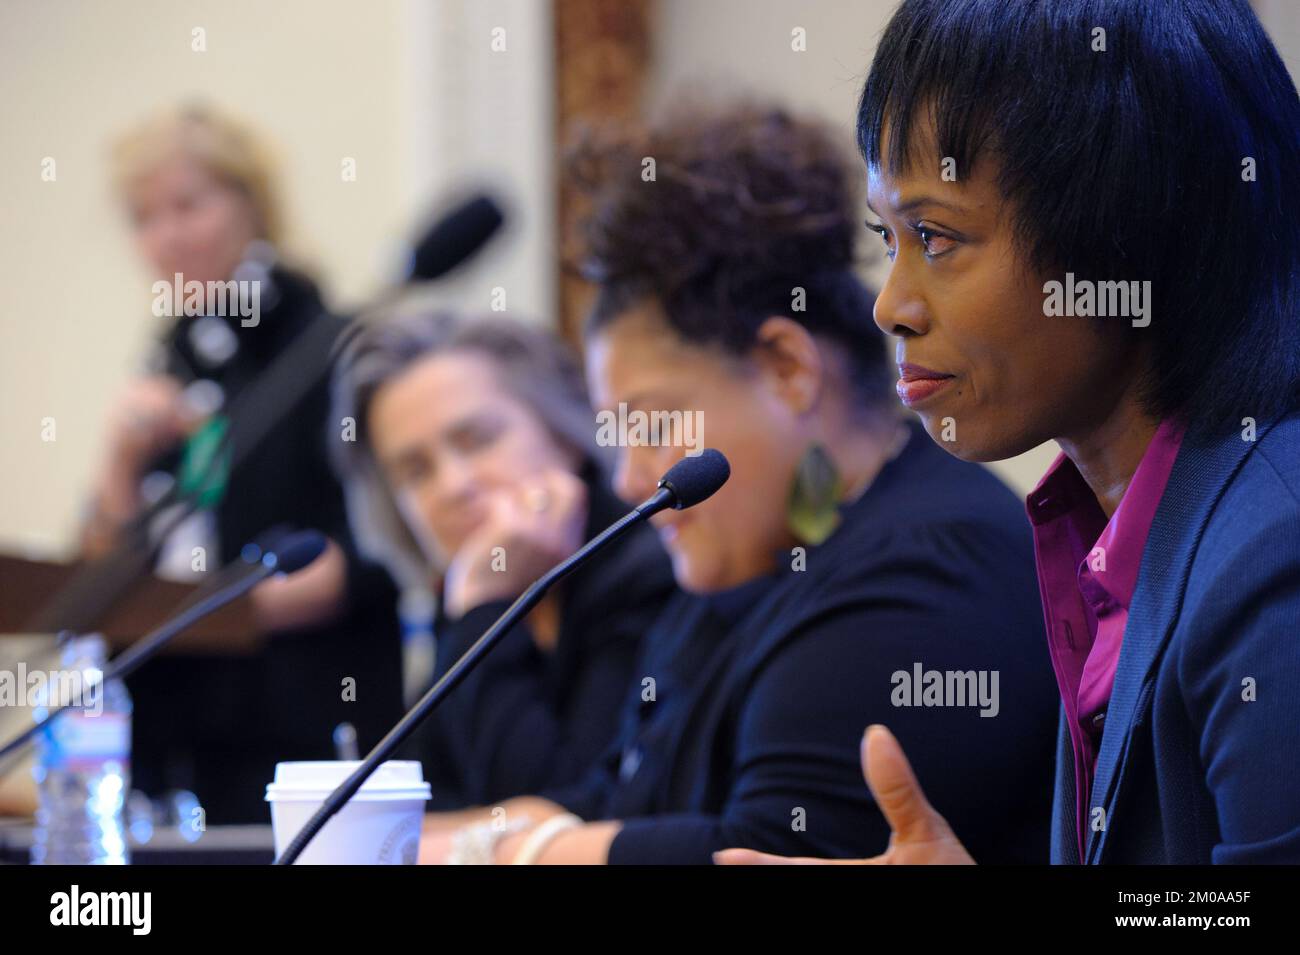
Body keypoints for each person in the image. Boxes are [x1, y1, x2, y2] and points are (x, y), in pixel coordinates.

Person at [719, 0, 1300, 866]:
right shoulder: (1108, 524)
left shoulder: (1273, 555)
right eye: (889, 239)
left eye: (938, 237)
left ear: (1129, 229)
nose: (892, 306)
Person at [418, 103, 1059, 864]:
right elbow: (605, 802)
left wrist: (513, 854)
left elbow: (764, 850)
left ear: (788, 368)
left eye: (651, 425)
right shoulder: (746, 576)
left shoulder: (932, 566)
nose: (628, 479)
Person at [81, 104, 403, 823]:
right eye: (144, 217)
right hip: (172, 742)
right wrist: (119, 461)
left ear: (251, 205)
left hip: (299, 732)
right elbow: (105, 576)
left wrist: (202, 613)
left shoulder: (328, 347)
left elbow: (378, 552)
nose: (166, 236)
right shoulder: (169, 361)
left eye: (187, 205)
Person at [330, 312, 675, 807]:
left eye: (478, 440)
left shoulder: (648, 574)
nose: (454, 486)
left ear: (564, 431)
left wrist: (484, 607)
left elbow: (555, 813)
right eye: (415, 471)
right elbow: (424, 803)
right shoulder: (460, 592)